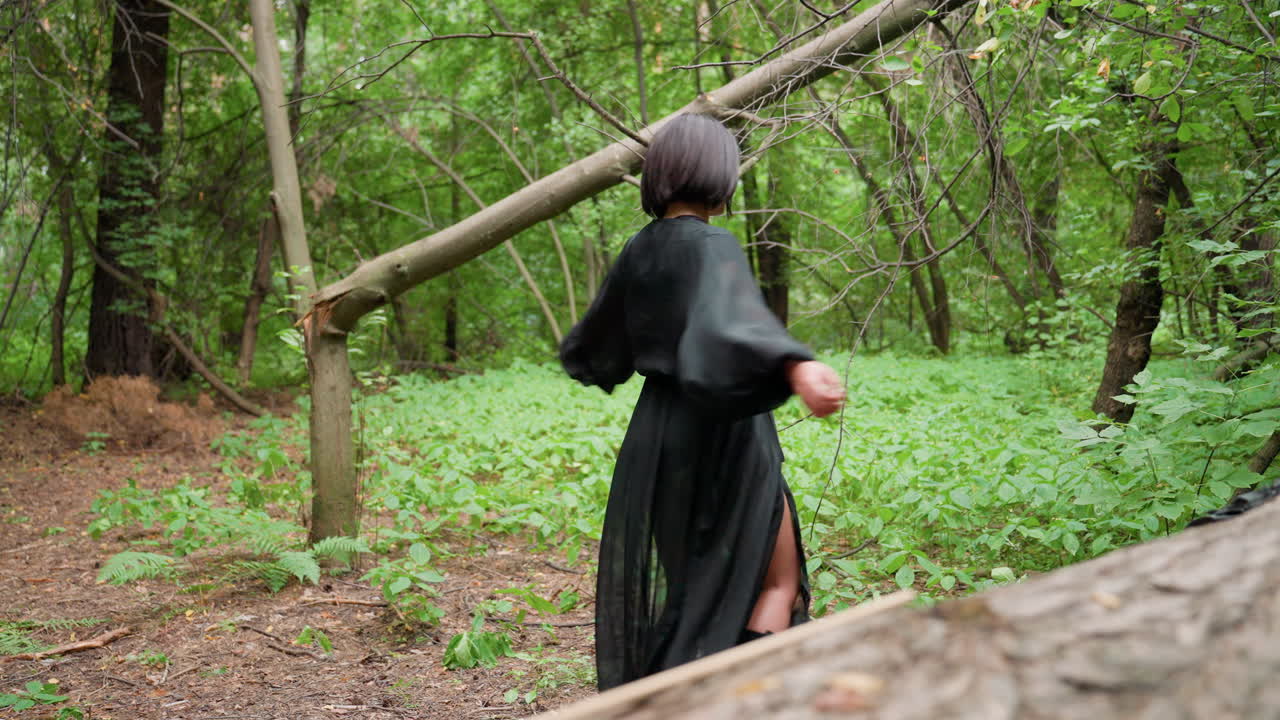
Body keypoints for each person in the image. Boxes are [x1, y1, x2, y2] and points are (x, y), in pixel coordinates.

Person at [559, 113, 845, 691]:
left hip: (658, 441)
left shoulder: (640, 249)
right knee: (774, 587)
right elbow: (733, 321)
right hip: (727, 435)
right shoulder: (714, 244)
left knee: (696, 596)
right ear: (718, 172)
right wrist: (798, 364)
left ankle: (680, 696)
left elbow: (593, 348)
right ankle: (742, 700)